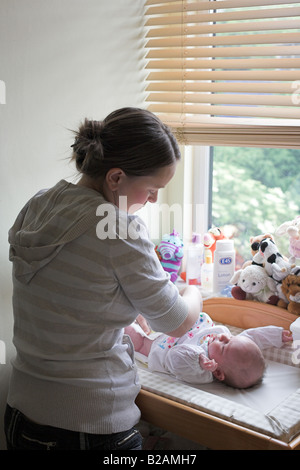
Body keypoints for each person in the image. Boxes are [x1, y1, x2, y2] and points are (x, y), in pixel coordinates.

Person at [5, 107, 202, 450]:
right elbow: (178, 322)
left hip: (20, 413)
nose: (155, 199)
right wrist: (194, 289)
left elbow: (78, 295)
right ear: (115, 178)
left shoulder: (39, 204)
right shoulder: (117, 228)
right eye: (153, 188)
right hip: (86, 424)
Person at [125, 312, 293, 389]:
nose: (225, 337)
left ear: (219, 372)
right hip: (174, 321)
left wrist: (198, 359)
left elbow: (174, 357)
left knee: (132, 335)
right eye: (231, 338)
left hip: (157, 345)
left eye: (225, 346)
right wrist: (276, 335)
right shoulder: (224, 340)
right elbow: (252, 337)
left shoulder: (201, 372)